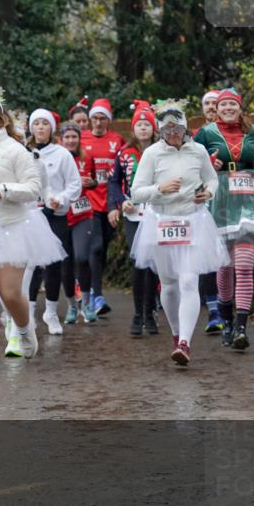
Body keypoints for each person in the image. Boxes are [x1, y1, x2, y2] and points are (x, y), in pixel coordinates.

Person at [0, 85, 63, 372]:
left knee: (10, 292)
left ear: (2, 120)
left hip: (12, 226)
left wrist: (4, 189)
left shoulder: (15, 150)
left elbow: (34, 188)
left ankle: (24, 330)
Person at [130, 100, 226, 365]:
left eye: (177, 129)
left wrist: (208, 192)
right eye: (167, 130)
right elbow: (136, 193)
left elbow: (212, 179)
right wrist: (160, 189)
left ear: (185, 128)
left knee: (188, 281)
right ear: (160, 131)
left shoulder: (198, 151)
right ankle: (175, 334)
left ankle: (185, 342)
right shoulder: (151, 154)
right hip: (161, 222)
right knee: (170, 284)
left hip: (193, 220)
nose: (172, 134)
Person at [194, 88, 254, 349]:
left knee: (244, 265)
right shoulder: (206, 132)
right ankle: (226, 323)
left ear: (240, 107)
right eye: (223, 104)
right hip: (221, 200)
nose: (228, 108)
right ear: (217, 108)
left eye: (232, 104)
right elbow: (189, 158)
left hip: (249, 199)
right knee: (225, 268)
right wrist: (207, 162)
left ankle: (241, 327)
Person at [25, 108, 82, 341]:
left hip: (55, 214)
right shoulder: (23, 152)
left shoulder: (62, 154)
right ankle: (27, 313)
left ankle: (50, 312)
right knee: (30, 264)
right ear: (31, 127)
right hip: (29, 214)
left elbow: (74, 184)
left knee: (53, 264)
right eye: (36, 123)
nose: (40, 127)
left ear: (52, 128)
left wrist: (62, 199)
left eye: (44, 123)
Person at [108, 100, 160, 336]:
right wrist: (119, 202)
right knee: (138, 261)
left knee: (152, 265)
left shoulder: (162, 150)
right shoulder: (124, 153)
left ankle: (150, 313)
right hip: (134, 214)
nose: (142, 128)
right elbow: (113, 182)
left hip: (158, 212)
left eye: (146, 124)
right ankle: (138, 314)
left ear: (153, 127)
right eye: (138, 124)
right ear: (133, 128)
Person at [80, 98, 124, 315]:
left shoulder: (117, 140)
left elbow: (122, 171)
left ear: (108, 120)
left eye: (102, 119)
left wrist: (119, 201)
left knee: (102, 249)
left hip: (110, 202)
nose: (98, 123)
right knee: (94, 247)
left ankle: (88, 291)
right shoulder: (82, 139)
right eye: (94, 118)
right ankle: (95, 296)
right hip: (88, 201)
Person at [59, 121, 100, 325]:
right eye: (67, 137)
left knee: (83, 258)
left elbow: (96, 181)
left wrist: (90, 182)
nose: (71, 140)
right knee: (66, 263)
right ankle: (71, 307)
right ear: (61, 139)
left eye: (74, 136)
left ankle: (86, 304)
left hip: (83, 214)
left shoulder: (87, 158)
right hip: (62, 214)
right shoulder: (56, 157)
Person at [195, 89, 225, 334]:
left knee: (232, 256)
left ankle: (229, 308)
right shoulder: (197, 137)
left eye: (216, 102)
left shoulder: (238, 133)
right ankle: (214, 311)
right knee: (208, 254)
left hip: (233, 200)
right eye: (207, 103)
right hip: (205, 201)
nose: (212, 107)